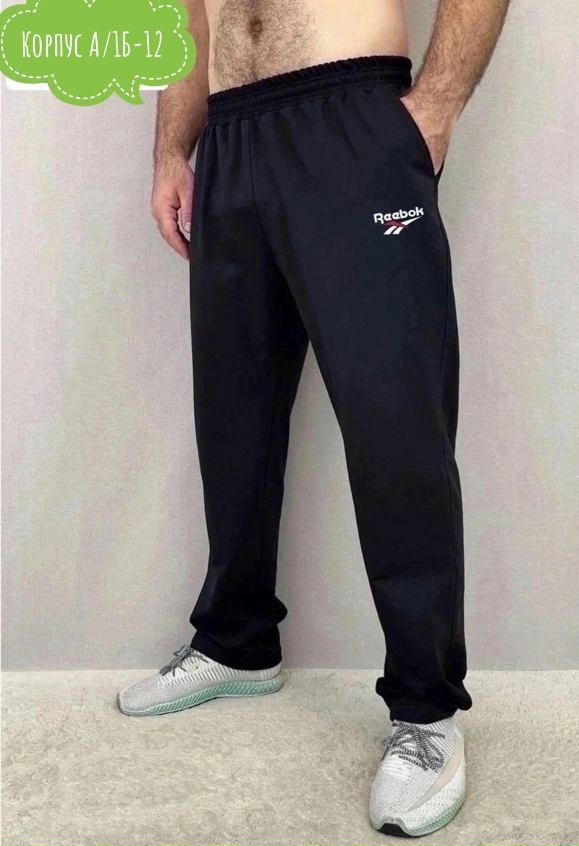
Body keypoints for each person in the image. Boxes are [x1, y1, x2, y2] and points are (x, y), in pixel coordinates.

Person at [117, 0, 509, 836]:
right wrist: (173, 152)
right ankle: (237, 640)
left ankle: (427, 709)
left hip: (350, 118)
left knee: (394, 422)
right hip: (230, 138)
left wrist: (436, 105)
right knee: (234, 413)